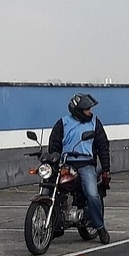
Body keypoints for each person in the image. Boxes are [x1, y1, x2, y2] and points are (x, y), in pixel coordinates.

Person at [48, 93, 112, 244]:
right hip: (65, 163)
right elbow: (54, 144)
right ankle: (54, 223)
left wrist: (106, 168)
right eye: (87, 109)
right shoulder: (62, 123)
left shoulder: (95, 122)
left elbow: (103, 146)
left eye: (90, 108)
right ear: (77, 110)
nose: (90, 111)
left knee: (92, 193)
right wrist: (53, 159)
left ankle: (100, 226)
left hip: (86, 164)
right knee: (51, 186)